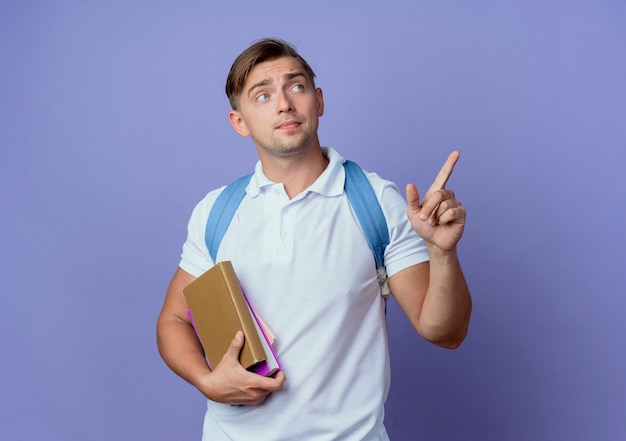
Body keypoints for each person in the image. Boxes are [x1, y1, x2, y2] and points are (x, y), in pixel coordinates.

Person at [157, 38, 472, 441]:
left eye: (297, 86)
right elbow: (173, 319)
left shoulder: (374, 201)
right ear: (239, 122)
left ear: (318, 101)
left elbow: (446, 332)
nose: (284, 104)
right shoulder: (215, 210)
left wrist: (443, 253)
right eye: (263, 95)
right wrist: (206, 380)